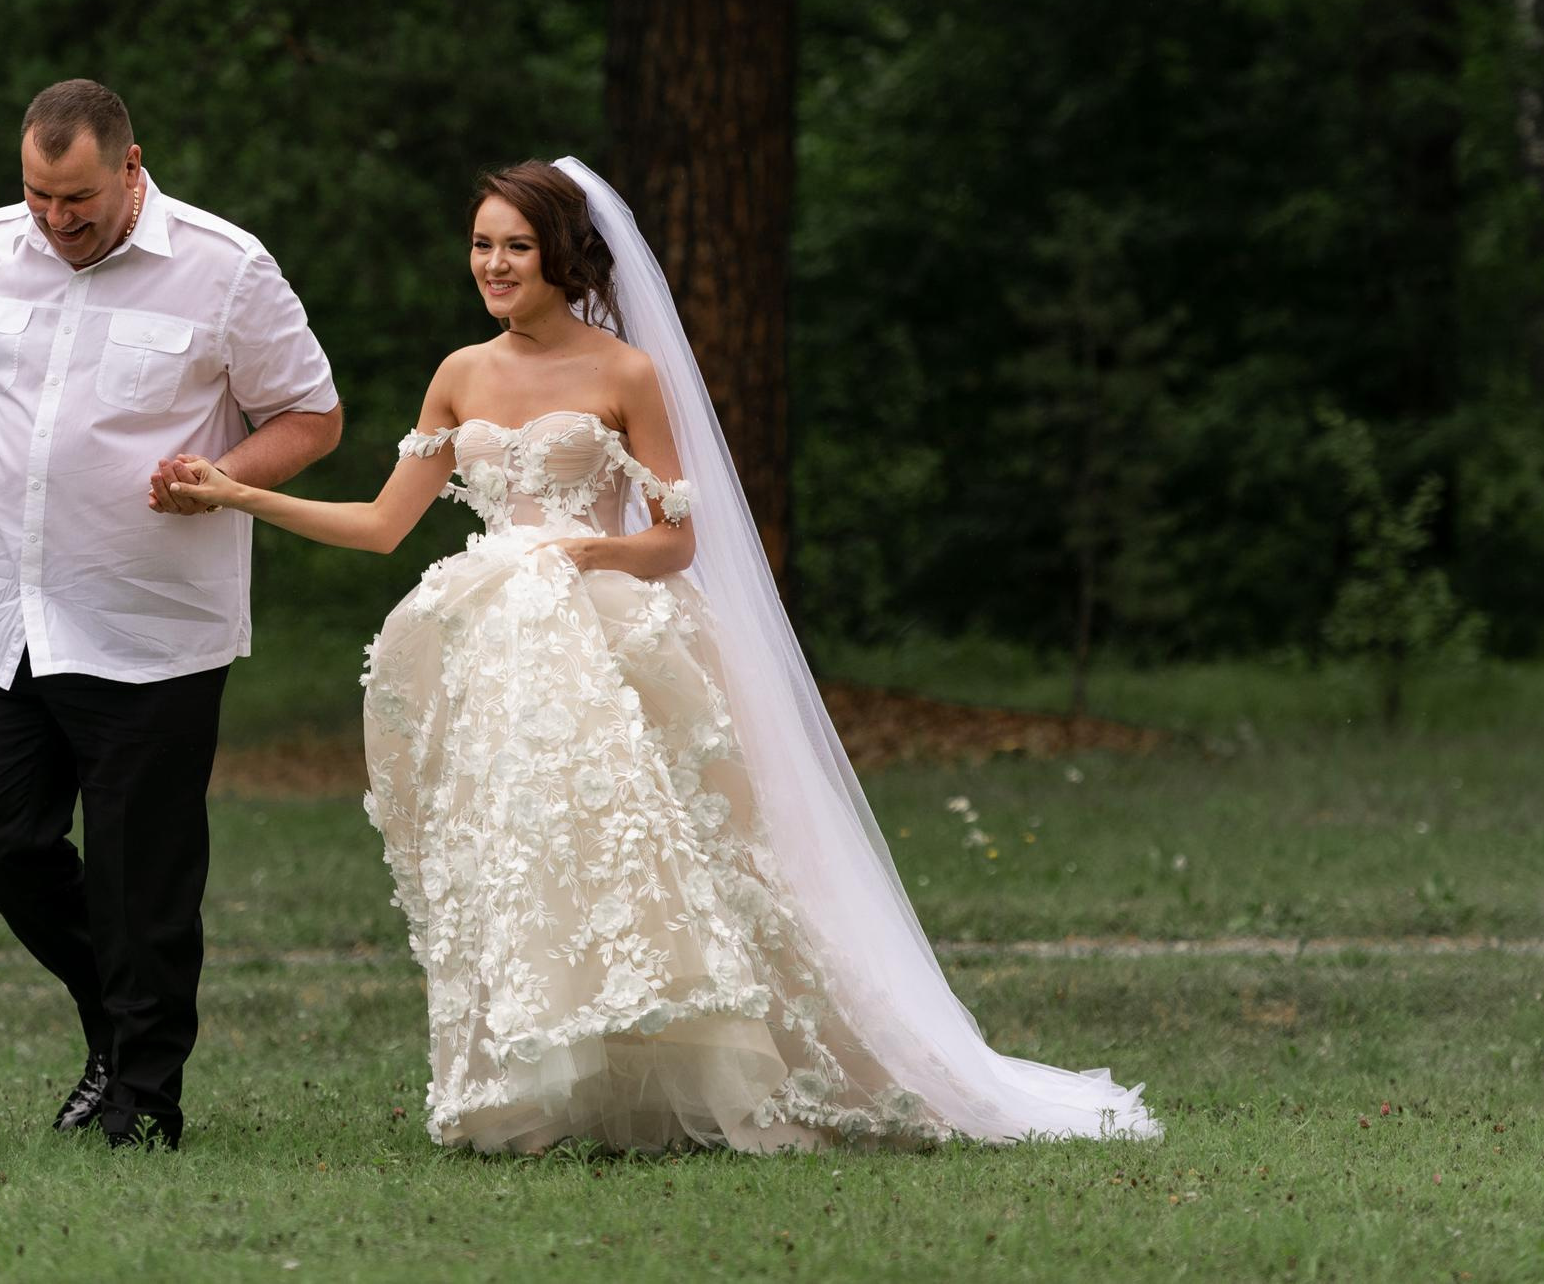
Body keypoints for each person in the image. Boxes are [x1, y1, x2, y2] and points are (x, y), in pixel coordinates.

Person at [164, 159, 1160, 1153]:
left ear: (564, 254)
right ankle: (559, 1088)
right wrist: (238, 493)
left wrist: (588, 548)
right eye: (481, 244)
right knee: (532, 858)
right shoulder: (458, 374)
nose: (494, 264)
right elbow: (383, 524)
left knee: (685, 861)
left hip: (612, 630)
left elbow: (678, 539)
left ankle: (758, 1068)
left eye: (516, 245)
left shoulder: (623, 371)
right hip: (503, 647)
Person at [0, 78, 342, 1151]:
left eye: (78, 198)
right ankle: (115, 1009)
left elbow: (312, 415)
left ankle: (144, 1097)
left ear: (131, 166)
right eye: (38, 195)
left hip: (151, 624)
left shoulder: (226, 267)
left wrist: (223, 473)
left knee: (146, 876)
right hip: (7, 611)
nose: (56, 219)